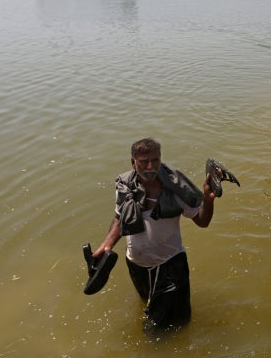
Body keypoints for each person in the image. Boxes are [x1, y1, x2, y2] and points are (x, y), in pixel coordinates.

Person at [91, 137, 218, 330]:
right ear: (133, 163)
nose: (150, 166)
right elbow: (119, 218)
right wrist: (106, 246)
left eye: (155, 160)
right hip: (136, 263)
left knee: (167, 327)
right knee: (147, 303)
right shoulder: (125, 186)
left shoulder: (176, 189)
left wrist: (208, 200)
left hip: (170, 265)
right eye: (144, 162)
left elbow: (202, 221)